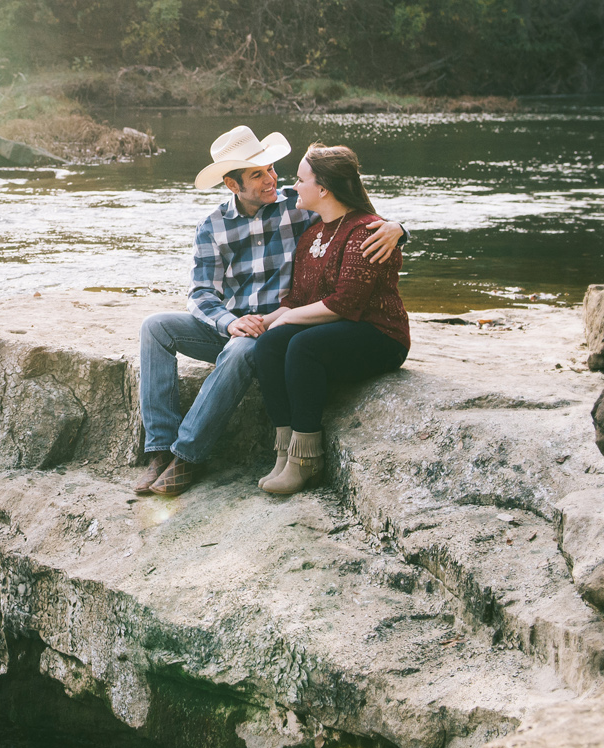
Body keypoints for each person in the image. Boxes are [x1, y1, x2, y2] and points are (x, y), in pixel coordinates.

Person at [136, 127, 404, 497]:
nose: (272, 180)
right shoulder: (212, 226)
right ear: (233, 185)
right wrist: (230, 322)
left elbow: (354, 214)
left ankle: (187, 457)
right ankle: (160, 450)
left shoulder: (298, 204)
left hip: (276, 326)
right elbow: (201, 293)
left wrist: (399, 229)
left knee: (244, 348)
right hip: (235, 324)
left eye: (272, 169)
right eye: (258, 174)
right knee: (154, 327)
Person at [250, 143, 411, 495]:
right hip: (339, 329)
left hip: (380, 334)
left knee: (303, 346)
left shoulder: (365, 230)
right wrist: (262, 322)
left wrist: (289, 319)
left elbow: (345, 303)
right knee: (269, 345)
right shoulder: (312, 234)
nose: (293, 185)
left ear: (323, 189)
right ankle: (285, 451)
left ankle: (307, 459)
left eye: (301, 179)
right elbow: (296, 301)